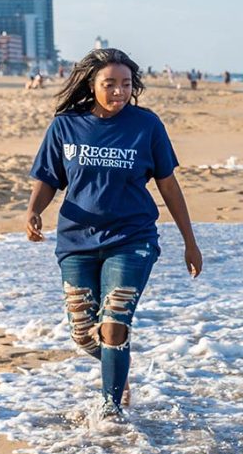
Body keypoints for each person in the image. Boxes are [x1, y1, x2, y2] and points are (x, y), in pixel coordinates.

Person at [24, 48, 204, 421]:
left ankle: (111, 409)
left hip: (132, 238)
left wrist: (190, 240)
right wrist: (34, 211)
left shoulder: (146, 125)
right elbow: (48, 179)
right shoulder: (65, 126)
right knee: (83, 334)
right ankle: (116, 362)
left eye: (126, 84)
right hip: (76, 241)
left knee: (116, 320)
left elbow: (169, 186)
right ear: (92, 85)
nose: (119, 91)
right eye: (110, 84)